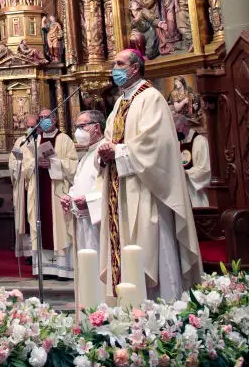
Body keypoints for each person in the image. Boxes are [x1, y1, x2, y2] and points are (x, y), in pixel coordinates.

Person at [97, 48, 202, 300]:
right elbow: (110, 139)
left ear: (134, 68)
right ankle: (128, 306)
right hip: (120, 188)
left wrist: (118, 152)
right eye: (114, 64)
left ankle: (161, 308)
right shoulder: (121, 103)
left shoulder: (151, 98)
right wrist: (103, 152)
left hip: (147, 189)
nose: (114, 69)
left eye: (119, 64)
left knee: (151, 246)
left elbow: (156, 146)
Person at [22, 108, 77, 278]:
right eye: (41, 118)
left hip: (57, 190)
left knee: (59, 226)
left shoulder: (64, 139)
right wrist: (36, 163)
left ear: (54, 120)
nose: (43, 120)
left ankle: (62, 270)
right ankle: (44, 269)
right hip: (39, 189)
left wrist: (53, 163)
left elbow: (73, 164)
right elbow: (25, 165)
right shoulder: (34, 140)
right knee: (40, 225)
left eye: (47, 117)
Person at [61, 110, 105, 253]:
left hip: (98, 220)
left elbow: (108, 184)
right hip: (83, 219)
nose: (78, 132)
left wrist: (89, 199)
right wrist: (70, 197)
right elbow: (78, 182)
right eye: (76, 127)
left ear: (96, 127)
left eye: (82, 126)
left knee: (98, 263)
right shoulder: (87, 156)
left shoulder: (104, 152)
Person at [8, 115, 35, 258]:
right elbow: (12, 161)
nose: (30, 129)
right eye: (28, 126)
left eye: (33, 126)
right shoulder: (20, 141)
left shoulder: (40, 140)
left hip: (35, 182)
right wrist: (19, 164)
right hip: (22, 182)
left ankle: (37, 251)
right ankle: (28, 252)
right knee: (24, 217)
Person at [174, 112, 211, 207]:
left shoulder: (200, 142)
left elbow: (205, 169)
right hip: (181, 191)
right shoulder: (178, 143)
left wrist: (187, 173)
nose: (176, 133)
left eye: (177, 130)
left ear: (185, 126)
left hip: (196, 191)